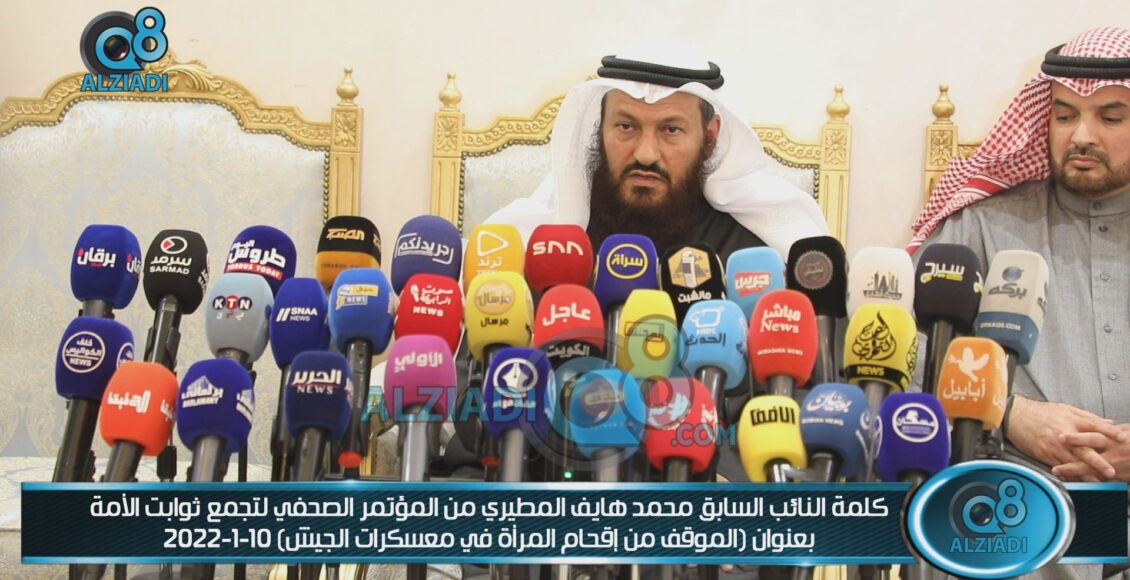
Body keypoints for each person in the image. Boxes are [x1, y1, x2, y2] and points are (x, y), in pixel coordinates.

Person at [912, 27, 1130, 580]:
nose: (1081, 136)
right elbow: (903, 356)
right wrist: (1009, 412)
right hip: (1022, 490)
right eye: (1063, 115)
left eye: (1111, 117)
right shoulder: (983, 227)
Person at [484, 44, 829, 261]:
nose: (646, 154)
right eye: (626, 127)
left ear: (710, 137)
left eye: (671, 130)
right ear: (600, 129)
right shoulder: (546, 248)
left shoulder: (757, 254)